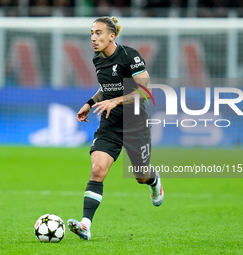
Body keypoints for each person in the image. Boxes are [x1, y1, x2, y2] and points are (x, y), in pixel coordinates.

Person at [67, 16, 164, 241]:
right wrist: (90, 103)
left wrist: (116, 101)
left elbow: (145, 90)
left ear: (112, 36)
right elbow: (106, 88)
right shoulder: (97, 60)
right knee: (97, 169)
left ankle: (154, 180)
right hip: (110, 124)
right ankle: (85, 224)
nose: (93, 38)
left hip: (135, 123)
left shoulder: (130, 56)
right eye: (91, 33)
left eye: (98, 33)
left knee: (140, 175)